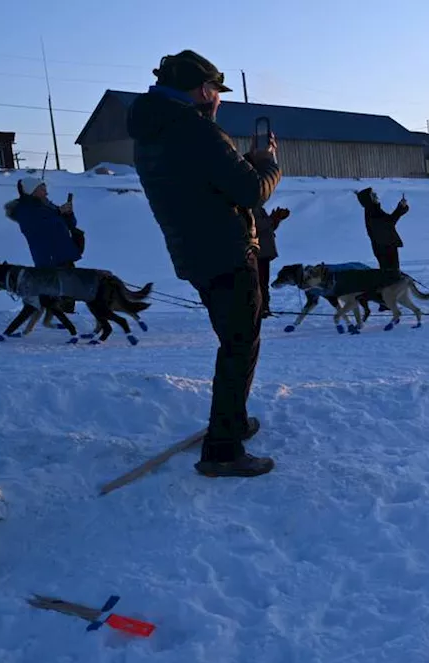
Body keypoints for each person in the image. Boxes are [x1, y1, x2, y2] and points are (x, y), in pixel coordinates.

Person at [126, 49, 282, 478]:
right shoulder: (196, 132)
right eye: (215, 90)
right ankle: (223, 450)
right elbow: (251, 192)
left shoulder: (155, 130)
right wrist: (268, 165)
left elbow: (204, 182)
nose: (218, 99)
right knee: (239, 346)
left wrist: (237, 158)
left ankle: (230, 423)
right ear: (203, 90)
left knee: (234, 342)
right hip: (227, 252)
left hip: (195, 252)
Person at [3, 176, 85, 316]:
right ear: (32, 191)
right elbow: (43, 227)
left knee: (68, 291)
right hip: (50, 258)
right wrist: (59, 212)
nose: (46, 192)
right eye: (42, 189)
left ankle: (66, 319)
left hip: (63, 254)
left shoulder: (46, 206)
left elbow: (69, 224)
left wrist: (68, 214)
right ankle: (61, 322)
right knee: (59, 292)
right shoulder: (26, 210)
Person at [357, 187, 409, 271]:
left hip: (387, 246)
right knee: (390, 274)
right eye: (373, 195)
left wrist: (401, 208)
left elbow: (390, 220)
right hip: (384, 248)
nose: (376, 196)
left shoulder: (375, 210)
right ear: (369, 199)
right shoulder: (372, 212)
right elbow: (389, 223)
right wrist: (400, 209)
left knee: (391, 274)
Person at [253, 206, 290, 318]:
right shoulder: (250, 208)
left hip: (264, 252)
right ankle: (260, 308)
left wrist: (276, 220)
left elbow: (268, 228)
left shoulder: (258, 208)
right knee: (259, 282)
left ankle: (264, 307)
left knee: (263, 282)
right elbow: (256, 226)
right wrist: (272, 219)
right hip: (258, 253)